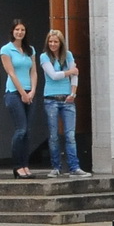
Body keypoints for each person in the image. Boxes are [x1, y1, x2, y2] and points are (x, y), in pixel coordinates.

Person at [41, 29, 82, 177]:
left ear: (61, 43)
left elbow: (76, 76)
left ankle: (74, 167)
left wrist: (73, 93)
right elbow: (53, 75)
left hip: (67, 99)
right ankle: (56, 167)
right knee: (53, 135)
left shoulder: (68, 55)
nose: (53, 44)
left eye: (55, 41)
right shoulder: (44, 57)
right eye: (50, 41)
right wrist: (70, 72)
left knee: (70, 135)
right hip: (51, 99)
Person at [0, 19, 38, 179]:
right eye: (17, 30)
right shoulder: (6, 49)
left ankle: (25, 164)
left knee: (27, 132)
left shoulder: (30, 50)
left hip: (29, 92)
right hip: (14, 93)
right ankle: (17, 166)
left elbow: (34, 71)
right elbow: (11, 72)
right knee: (20, 130)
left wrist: (33, 91)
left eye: (22, 30)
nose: (20, 32)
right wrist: (22, 92)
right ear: (12, 31)